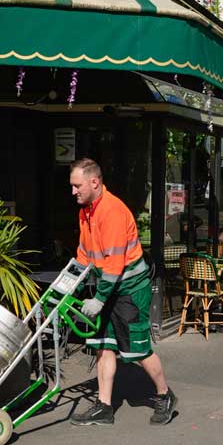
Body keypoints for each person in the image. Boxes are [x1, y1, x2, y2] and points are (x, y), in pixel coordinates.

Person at [68, 158, 177, 426]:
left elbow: (115, 264)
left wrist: (99, 299)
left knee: (137, 349)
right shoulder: (87, 211)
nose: (73, 191)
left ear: (94, 182)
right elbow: (84, 254)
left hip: (129, 289)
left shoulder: (113, 212)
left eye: (77, 185)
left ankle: (164, 395)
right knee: (103, 346)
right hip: (106, 288)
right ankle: (104, 407)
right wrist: (72, 286)